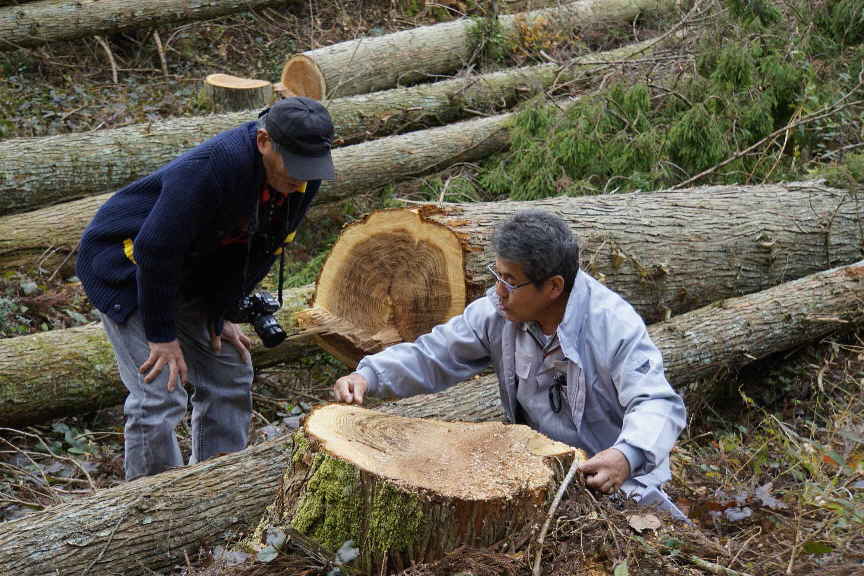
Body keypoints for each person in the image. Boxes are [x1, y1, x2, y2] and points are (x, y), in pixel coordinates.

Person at [333, 210, 688, 518]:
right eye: (497, 275)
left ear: (553, 286)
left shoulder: (612, 324)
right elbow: (435, 354)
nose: (498, 290)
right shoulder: (497, 313)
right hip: (537, 477)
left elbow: (657, 403)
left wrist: (626, 456)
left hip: (616, 482)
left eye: (511, 281)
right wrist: (370, 375)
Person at [77, 97, 336, 481]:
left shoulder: (304, 175)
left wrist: (222, 312)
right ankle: (150, 506)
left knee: (230, 368)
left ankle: (216, 487)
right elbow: (155, 250)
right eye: (294, 166)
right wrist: (161, 336)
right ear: (264, 141)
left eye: (310, 168)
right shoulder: (213, 169)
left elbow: (261, 248)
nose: (301, 179)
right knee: (159, 391)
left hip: (191, 272)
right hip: (127, 268)